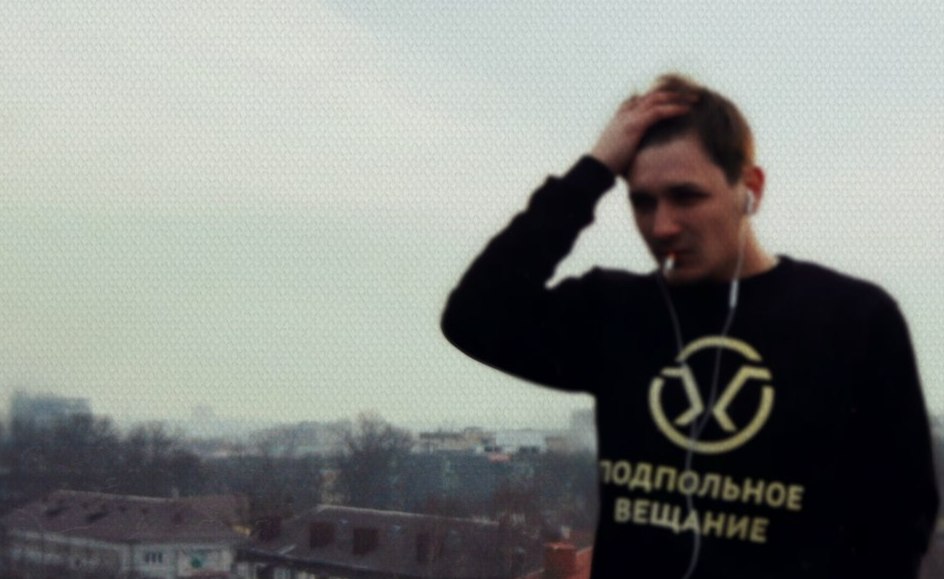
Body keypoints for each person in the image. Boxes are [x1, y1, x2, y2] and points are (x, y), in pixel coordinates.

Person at [440, 74, 939, 578]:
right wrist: (594, 170)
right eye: (642, 201)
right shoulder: (615, 313)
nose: (662, 226)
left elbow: (900, 518)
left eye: (686, 196)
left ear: (750, 189)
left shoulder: (853, 320)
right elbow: (475, 316)